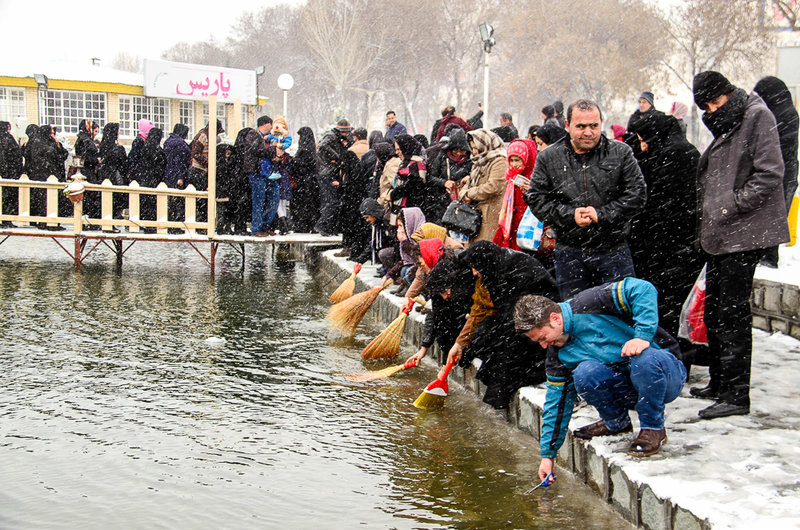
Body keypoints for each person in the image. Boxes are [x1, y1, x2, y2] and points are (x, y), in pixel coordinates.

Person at [691, 71, 790, 419]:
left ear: (729, 93)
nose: (712, 110)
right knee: (715, 310)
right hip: (722, 234)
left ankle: (735, 394)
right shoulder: (731, 119)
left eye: (715, 102)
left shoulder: (757, 116)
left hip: (743, 234)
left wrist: (730, 204)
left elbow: (770, 173)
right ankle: (720, 382)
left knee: (732, 313)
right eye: (706, 106)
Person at [514, 278, 686, 473]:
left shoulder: (589, 303)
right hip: (630, 389)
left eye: (543, 338)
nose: (544, 346)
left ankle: (653, 428)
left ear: (555, 319)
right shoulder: (558, 355)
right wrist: (548, 455)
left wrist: (642, 336)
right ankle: (617, 423)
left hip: (664, 375)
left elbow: (642, 288)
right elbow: (557, 402)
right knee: (584, 373)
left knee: (642, 359)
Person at [525, 99, 646, 300]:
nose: (588, 132)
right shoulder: (548, 157)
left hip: (613, 251)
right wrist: (570, 215)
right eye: (581, 126)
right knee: (577, 313)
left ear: (601, 123)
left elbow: (637, 195)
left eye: (594, 126)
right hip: (570, 253)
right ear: (567, 125)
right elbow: (536, 198)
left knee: (619, 311)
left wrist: (602, 214)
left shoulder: (620, 153)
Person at [443, 241, 558, 409]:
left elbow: (518, 313)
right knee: (485, 338)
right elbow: (479, 308)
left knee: (507, 349)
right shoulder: (490, 271)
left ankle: (499, 396)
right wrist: (459, 344)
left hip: (538, 320)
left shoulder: (516, 268)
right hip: (512, 316)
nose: (474, 273)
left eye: (476, 268)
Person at [628, 112, 703, 369]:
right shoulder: (683, 152)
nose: (643, 146)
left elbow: (654, 203)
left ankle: (671, 361)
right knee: (675, 307)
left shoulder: (670, 156)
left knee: (667, 306)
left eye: (644, 140)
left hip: (668, 246)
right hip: (679, 245)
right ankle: (679, 360)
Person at [753, 76, 799, 269]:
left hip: (777, 174)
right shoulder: (787, 113)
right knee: (775, 220)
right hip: (787, 174)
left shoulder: (776, 116)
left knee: (769, 220)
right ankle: (768, 257)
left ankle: (767, 259)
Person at [459, 129, 507, 246]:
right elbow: (470, 181)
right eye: (473, 148)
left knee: (485, 249)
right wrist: (464, 193)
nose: (474, 152)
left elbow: (493, 186)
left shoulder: (500, 161)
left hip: (490, 214)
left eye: (476, 148)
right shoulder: (479, 161)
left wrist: (470, 193)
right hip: (475, 215)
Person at [424, 127, 473, 223]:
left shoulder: (470, 160)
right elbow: (430, 178)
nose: (458, 153)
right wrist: (444, 182)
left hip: (464, 201)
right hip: (442, 201)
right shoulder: (442, 157)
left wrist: (469, 179)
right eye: (455, 150)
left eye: (462, 151)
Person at [244, 116, 281, 236]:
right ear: (266, 124)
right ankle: (256, 228)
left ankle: (265, 225)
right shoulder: (253, 135)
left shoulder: (269, 138)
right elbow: (256, 150)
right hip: (257, 172)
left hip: (268, 173)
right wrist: (273, 151)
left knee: (274, 199)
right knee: (258, 201)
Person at [289, 126, 320, 233]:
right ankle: (310, 225)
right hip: (310, 181)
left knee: (302, 205)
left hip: (303, 182)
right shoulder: (311, 148)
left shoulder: (304, 150)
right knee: (310, 204)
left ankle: (302, 225)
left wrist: (292, 161)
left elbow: (301, 164)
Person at [133, 127, 165, 230]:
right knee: (152, 203)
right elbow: (161, 165)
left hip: (144, 178)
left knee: (144, 202)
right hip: (154, 179)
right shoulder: (158, 151)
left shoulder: (144, 148)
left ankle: (144, 223)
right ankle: (150, 224)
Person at [97, 123, 128, 224]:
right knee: (114, 196)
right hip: (113, 173)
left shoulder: (104, 145)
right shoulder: (114, 147)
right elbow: (121, 160)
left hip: (106, 173)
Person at [388, 134, 427, 212]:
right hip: (402, 206)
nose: (396, 152)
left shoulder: (416, 164)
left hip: (410, 208)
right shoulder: (405, 163)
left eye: (399, 149)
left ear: (405, 148)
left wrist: (392, 194)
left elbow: (408, 186)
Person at [164, 123, 191, 230]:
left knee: (171, 200)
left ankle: (171, 224)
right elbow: (179, 161)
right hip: (177, 175)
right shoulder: (180, 144)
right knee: (177, 201)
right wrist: (180, 176)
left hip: (169, 174)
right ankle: (175, 225)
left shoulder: (168, 142)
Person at [624, 91, 663, 157]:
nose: (641, 105)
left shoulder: (658, 117)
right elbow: (629, 135)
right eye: (640, 102)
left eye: (644, 102)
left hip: (654, 154)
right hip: (636, 153)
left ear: (650, 104)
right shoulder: (634, 117)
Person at [0, 121, 23, 225]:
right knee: (8, 197)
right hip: (9, 172)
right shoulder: (8, 139)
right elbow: (16, 155)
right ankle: (6, 218)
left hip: (5, 171)